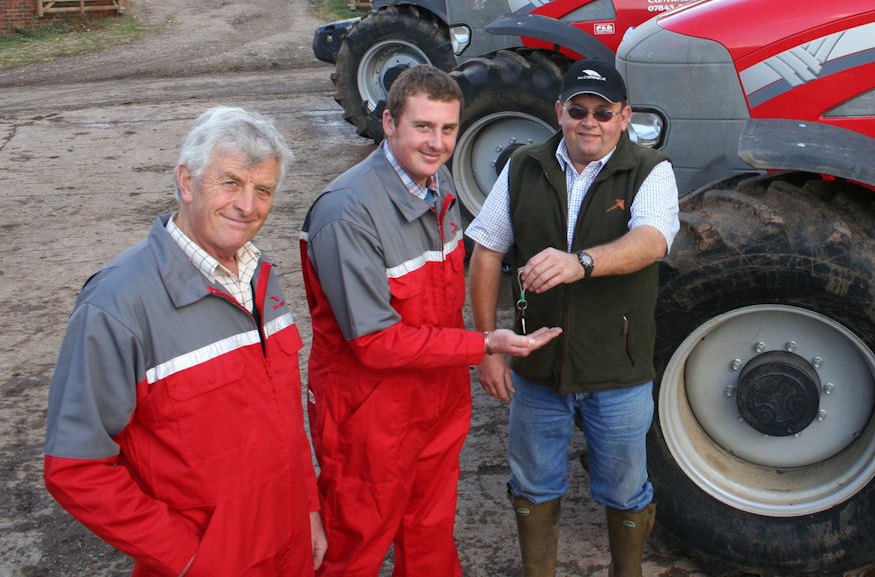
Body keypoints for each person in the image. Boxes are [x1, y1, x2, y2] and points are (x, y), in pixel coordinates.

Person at [300, 63, 559, 577]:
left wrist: (474, 353)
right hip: (370, 414)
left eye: (447, 128)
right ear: (390, 123)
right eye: (422, 126)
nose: (436, 142)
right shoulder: (346, 212)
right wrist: (483, 344)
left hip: (436, 401)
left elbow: (440, 305)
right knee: (357, 545)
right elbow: (374, 343)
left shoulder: (437, 184)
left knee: (430, 536)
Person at [44, 106, 325, 576]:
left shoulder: (260, 276)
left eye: (263, 191)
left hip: (289, 544)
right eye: (231, 182)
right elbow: (75, 466)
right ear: (187, 181)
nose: (247, 206)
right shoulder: (117, 304)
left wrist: (307, 508)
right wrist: (190, 557)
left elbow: (283, 423)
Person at [467, 58, 680, 577]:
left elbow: (651, 241)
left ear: (624, 117)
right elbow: (486, 251)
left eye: (603, 111)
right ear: (559, 111)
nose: (591, 122)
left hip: (618, 369)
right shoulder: (523, 166)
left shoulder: (651, 170)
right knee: (534, 485)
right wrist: (488, 346)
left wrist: (580, 263)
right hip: (538, 369)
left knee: (627, 490)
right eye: (578, 110)